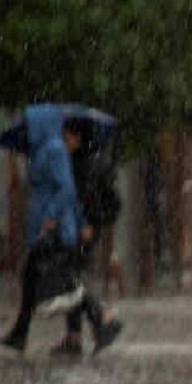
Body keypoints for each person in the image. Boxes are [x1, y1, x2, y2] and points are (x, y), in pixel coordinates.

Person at [0, 110, 121, 355]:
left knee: (62, 282)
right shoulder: (45, 150)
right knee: (35, 279)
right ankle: (22, 333)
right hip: (48, 228)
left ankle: (103, 319)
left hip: (55, 230)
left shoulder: (54, 150)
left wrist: (53, 217)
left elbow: (66, 189)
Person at [51, 119, 122, 356]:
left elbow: (94, 201)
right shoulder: (87, 161)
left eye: (67, 136)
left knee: (69, 281)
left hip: (81, 231)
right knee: (70, 281)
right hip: (76, 229)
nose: (64, 141)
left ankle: (103, 318)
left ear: (78, 137)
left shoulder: (86, 164)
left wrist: (91, 223)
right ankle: (75, 335)